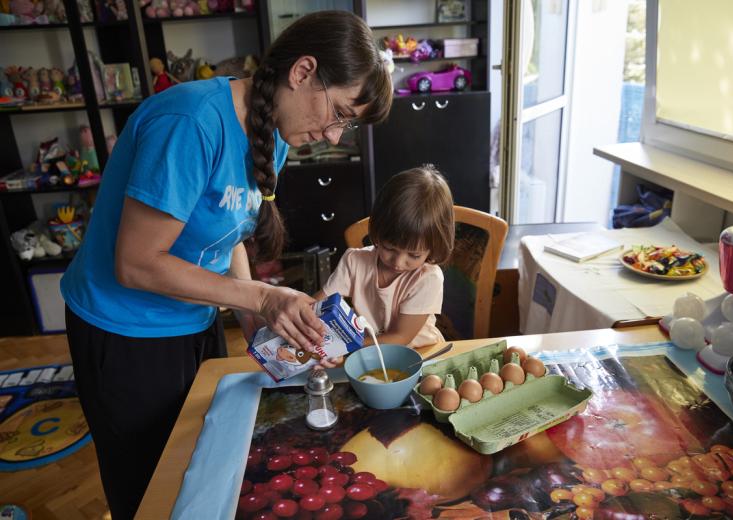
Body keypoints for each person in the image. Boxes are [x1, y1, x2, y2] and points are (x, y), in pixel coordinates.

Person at [59, 11, 392, 519]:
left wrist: (258, 323)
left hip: (195, 318)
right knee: (150, 488)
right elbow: (137, 264)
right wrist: (262, 296)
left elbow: (229, 234)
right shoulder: (190, 124)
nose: (334, 136)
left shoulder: (272, 129)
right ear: (303, 72)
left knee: (202, 464)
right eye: (340, 113)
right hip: (126, 334)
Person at [314, 165, 455, 349]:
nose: (398, 262)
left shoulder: (428, 278)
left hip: (423, 353)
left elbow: (400, 337)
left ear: (433, 248)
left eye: (414, 255)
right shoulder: (354, 261)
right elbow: (317, 305)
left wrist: (342, 347)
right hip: (373, 352)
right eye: (389, 248)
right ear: (377, 233)